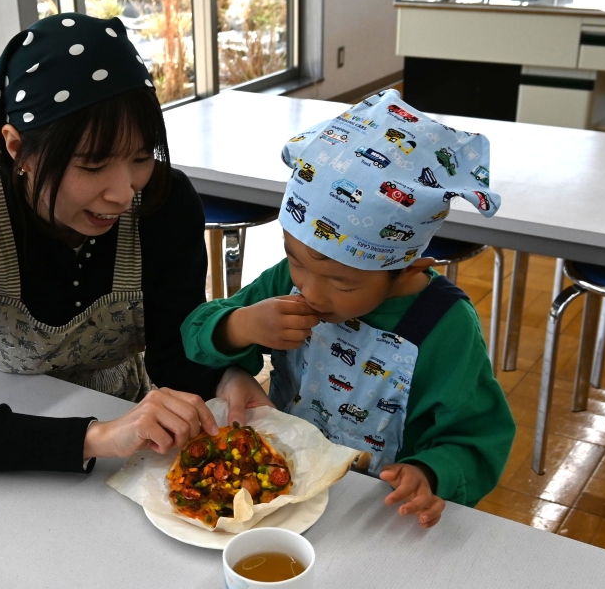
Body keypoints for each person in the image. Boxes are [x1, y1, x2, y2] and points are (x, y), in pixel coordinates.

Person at [0, 13, 270, 474]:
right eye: (93, 165)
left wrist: (226, 378)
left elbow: (173, 356)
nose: (123, 193)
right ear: (17, 149)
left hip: (128, 419)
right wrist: (98, 437)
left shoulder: (164, 205)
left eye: (141, 157)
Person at [181, 89, 515, 528]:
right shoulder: (287, 281)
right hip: (285, 489)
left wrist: (430, 473)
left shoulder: (445, 327)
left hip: (375, 511)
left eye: (342, 282)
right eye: (296, 260)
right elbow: (194, 333)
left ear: (408, 268)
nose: (311, 291)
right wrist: (241, 326)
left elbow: (477, 436)